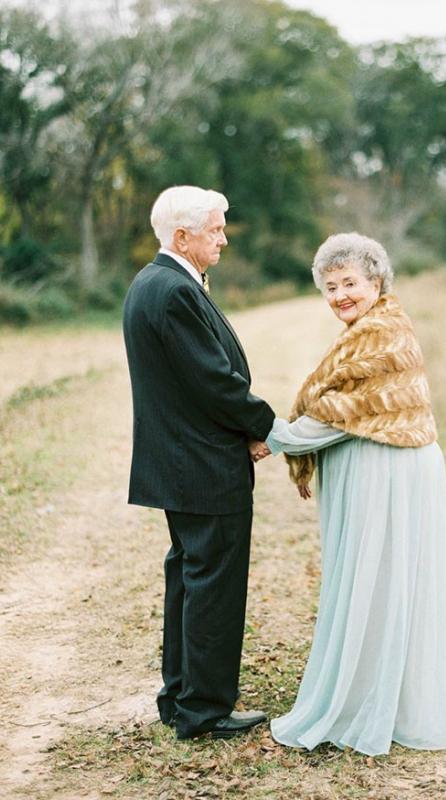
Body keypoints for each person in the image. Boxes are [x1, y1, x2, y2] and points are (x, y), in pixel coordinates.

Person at [260, 232, 446, 756]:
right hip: (379, 467)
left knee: (382, 580)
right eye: (330, 286)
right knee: (379, 579)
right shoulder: (365, 329)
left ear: (377, 282)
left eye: (350, 283)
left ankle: (377, 702)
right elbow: (343, 408)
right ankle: (385, 692)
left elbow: (347, 415)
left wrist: (275, 437)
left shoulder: (383, 334)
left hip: (388, 470)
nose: (341, 295)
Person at [122, 185, 274, 741]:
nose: (224, 237)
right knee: (211, 584)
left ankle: (181, 696)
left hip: (186, 461)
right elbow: (212, 381)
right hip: (203, 465)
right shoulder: (171, 291)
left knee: (189, 579)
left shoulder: (156, 283)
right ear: (181, 236)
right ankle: (205, 710)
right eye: (215, 229)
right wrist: (262, 426)